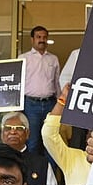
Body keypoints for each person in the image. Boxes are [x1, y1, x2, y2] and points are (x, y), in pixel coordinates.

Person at [0, 111, 58, 185]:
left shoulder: (42, 164)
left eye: (19, 129)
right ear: (2, 134)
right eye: (8, 128)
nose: (13, 132)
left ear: (27, 134)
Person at [18, 25, 61, 155]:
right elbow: (18, 83)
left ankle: (51, 175)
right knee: (33, 142)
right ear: (32, 40)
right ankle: (33, 174)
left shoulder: (53, 59)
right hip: (31, 105)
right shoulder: (23, 58)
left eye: (44, 37)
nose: (42, 40)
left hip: (50, 104)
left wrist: (60, 105)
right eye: (38, 37)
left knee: (51, 141)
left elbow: (57, 82)